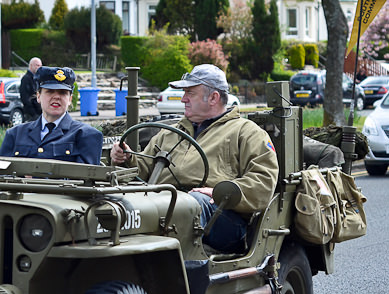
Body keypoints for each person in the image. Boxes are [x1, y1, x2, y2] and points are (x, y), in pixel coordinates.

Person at [110, 64, 278, 253]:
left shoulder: (246, 132)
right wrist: (127, 158)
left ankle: (180, 271)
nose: (183, 99)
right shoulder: (170, 133)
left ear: (214, 97)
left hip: (220, 216)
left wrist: (218, 192)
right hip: (164, 204)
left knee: (192, 204)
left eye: (190, 93)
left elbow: (263, 182)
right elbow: (143, 170)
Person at [0, 66, 104, 165]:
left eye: (63, 93)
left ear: (70, 99)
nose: (56, 97)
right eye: (49, 91)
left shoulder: (86, 135)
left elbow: (88, 179)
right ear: (38, 96)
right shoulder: (15, 134)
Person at [20, 57, 42, 122]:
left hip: (39, 112)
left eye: (40, 66)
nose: (39, 67)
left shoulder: (38, 78)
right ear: (31, 65)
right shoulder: (26, 79)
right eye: (37, 65)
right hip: (31, 114)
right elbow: (25, 98)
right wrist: (34, 114)